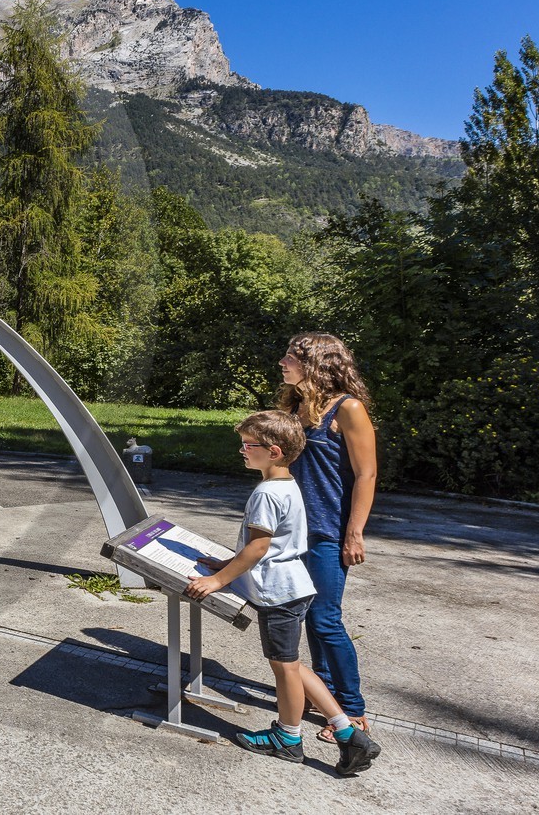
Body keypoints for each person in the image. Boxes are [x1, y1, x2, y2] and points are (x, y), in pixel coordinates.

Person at [185, 411, 378, 775]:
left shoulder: (265, 494)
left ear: (273, 451)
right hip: (296, 588)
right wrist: (227, 561)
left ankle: (288, 739)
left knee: (285, 668)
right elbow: (273, 545)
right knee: (293, 665)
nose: (242, 450)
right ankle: (347, 730)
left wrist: (218, 579)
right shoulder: (289, 485)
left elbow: (259, 548)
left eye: (248, 445)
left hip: (277, 594)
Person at [278, 332, 379, 745]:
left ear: (315, 363)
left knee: (325, 619)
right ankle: (320, 696)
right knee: (304, 618)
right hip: (293, 532)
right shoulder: (297, 407)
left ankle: (352, 709)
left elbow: (366, 474)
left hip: (327, 531)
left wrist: (354, 533)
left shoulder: (348, 408)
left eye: (289, 357)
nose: (282, 362)